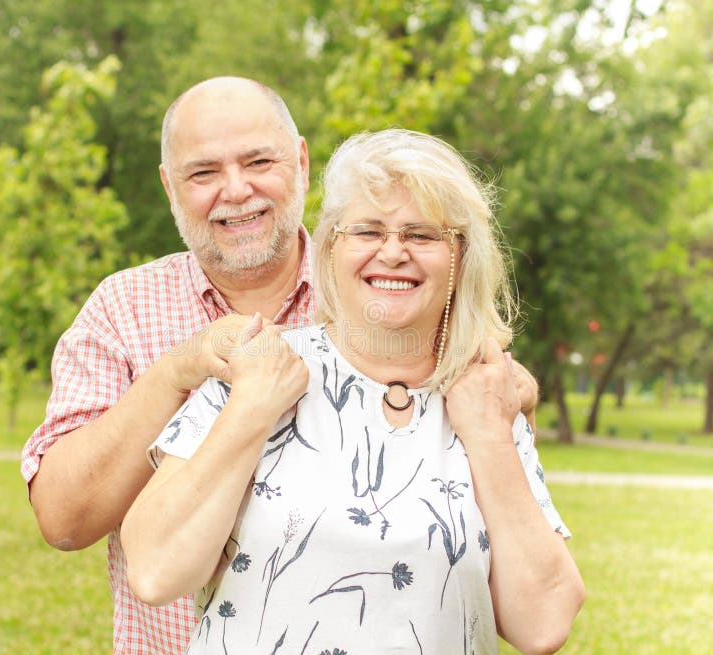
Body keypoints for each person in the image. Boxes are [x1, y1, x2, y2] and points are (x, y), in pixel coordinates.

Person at [21, 77, 540, 653]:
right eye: (203, 173)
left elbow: (483, 429)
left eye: (258, 161)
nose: (236, 190)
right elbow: (65, 521)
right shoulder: (122, 309)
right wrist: (176, 373)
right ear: (171, 186)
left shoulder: (385, 287)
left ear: (299, 161)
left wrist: (516, 401)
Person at [121, 129, 584, 654]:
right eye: (367, 230)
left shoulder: (487, 397)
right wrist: (251, 408)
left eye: (422, 234)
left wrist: (492, 437)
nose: (392, 252)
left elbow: (543, 624)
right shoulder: (258, 372)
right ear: (332, 248)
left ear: (460, 256)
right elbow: (155, 573)